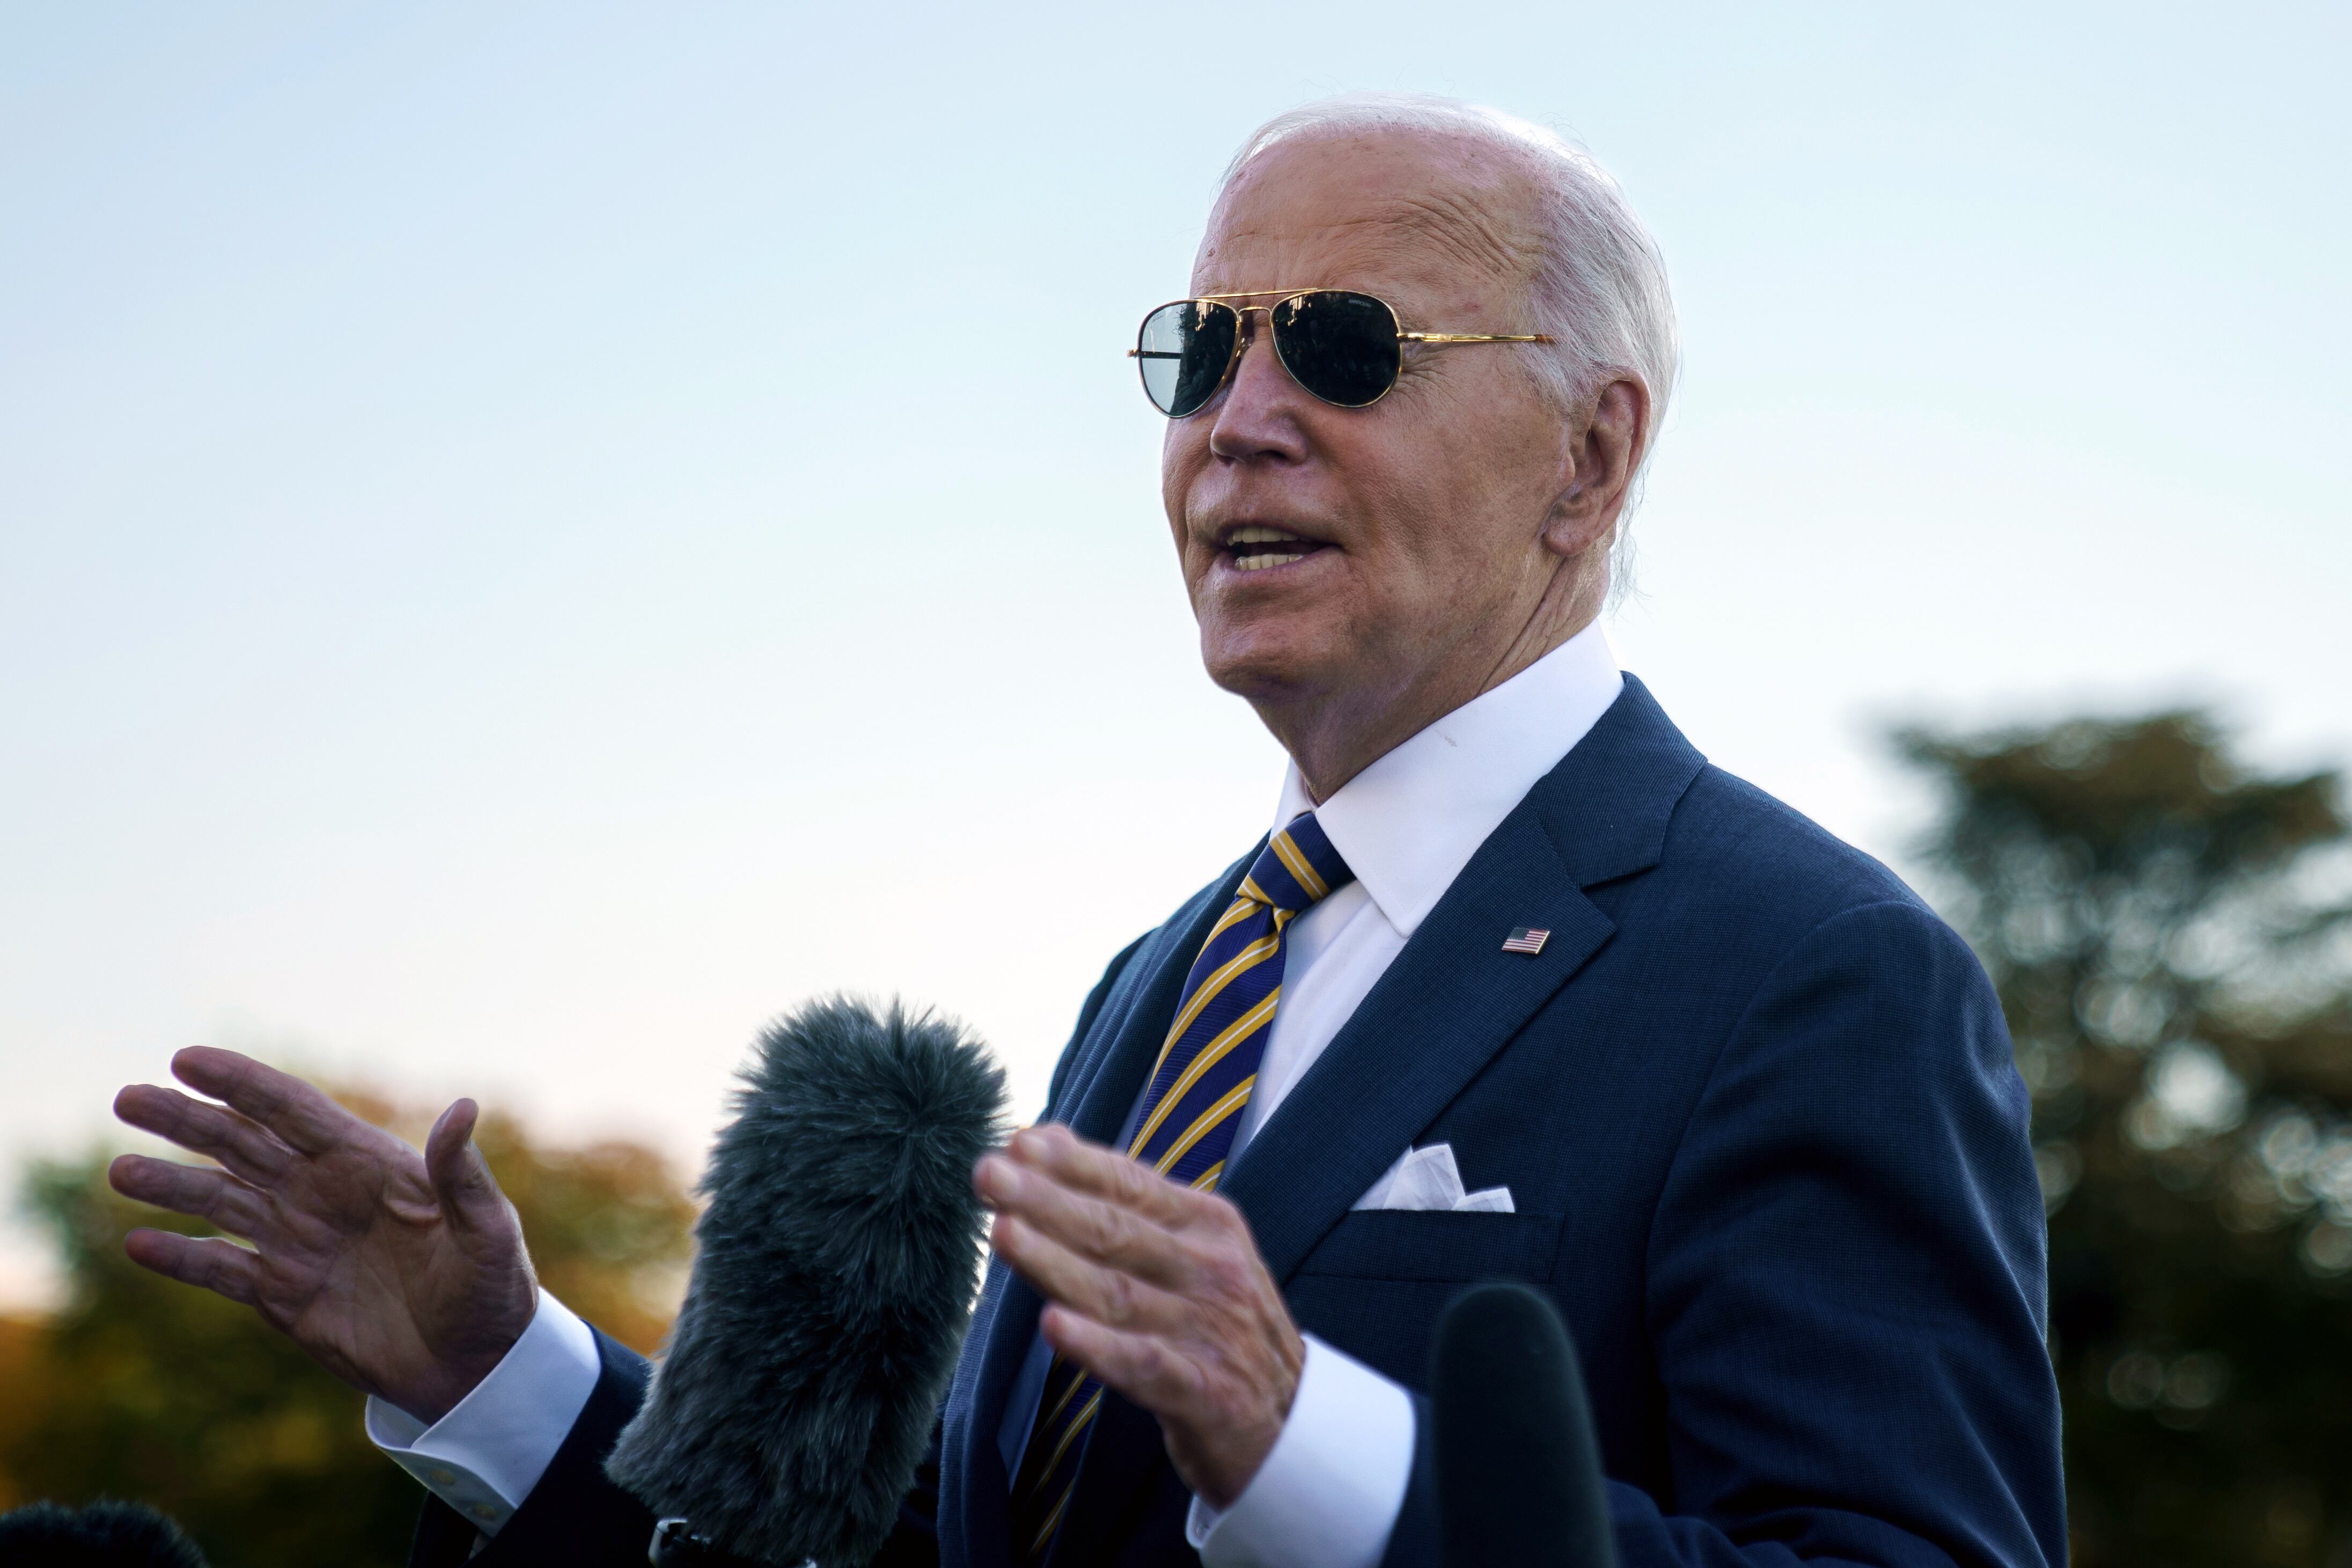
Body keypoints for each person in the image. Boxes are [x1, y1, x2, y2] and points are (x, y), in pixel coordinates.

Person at [108, 93, 2066, 1568]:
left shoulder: (1813, 971)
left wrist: (1315, 1447)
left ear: (1594, 454)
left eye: (1349, 346)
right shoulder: (1168, 981)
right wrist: (504, 1365)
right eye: (1202, 353)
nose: (1243, 418)